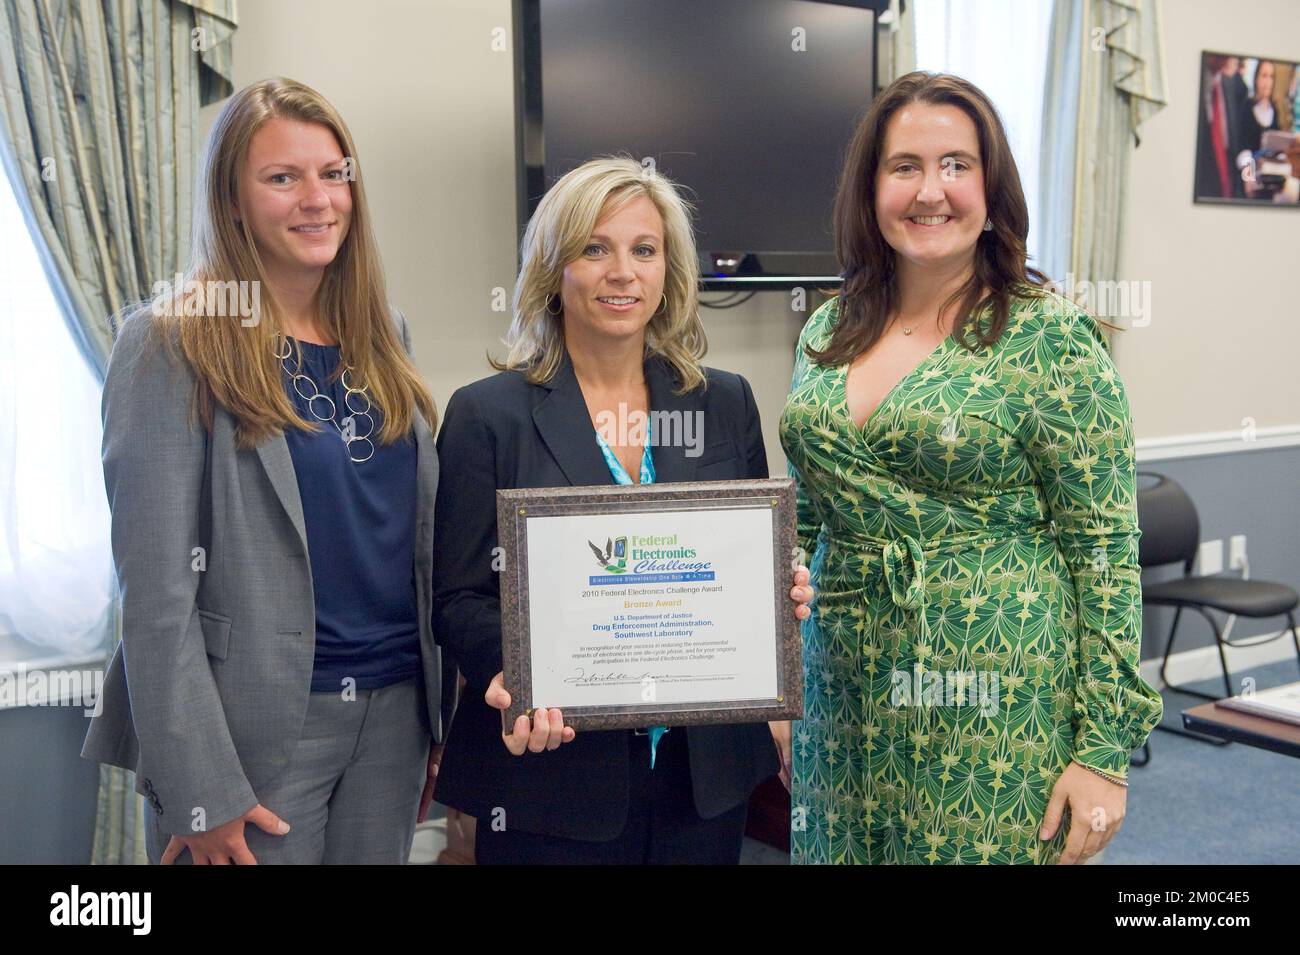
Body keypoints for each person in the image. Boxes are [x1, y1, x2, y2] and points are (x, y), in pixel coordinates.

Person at [779, 72, 1162, 865]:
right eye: (905, 166)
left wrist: (1102, 753)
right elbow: (805, 517)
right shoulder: (827, 326)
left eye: (957, 164)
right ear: (871, 187)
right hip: (840, 689)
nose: (931, 191)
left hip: (993, 694)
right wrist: (776, 680)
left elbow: (1106, 555)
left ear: (992, 187)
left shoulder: (1048, 338)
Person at [81, 78, 453, 864]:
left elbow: (413, 542)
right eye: (283, 178)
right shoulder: (168, 345)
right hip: (252, 730)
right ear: (234, 200)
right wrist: (198, 785)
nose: (317, 199)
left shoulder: (385, 333)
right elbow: (154, 596)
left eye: (333, 174)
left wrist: (439, 721)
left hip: (394, 718)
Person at [432, 156, 812, 864]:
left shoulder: (723, 402)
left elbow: (750, 565)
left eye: (644, 250)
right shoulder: (488, 415)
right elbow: (457, 599)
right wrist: (516, 675)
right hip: (552, 776)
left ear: (669, 270)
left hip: (701, 781)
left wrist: (777, 591)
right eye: (594, 248)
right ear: (554, 269)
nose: (622, 271)